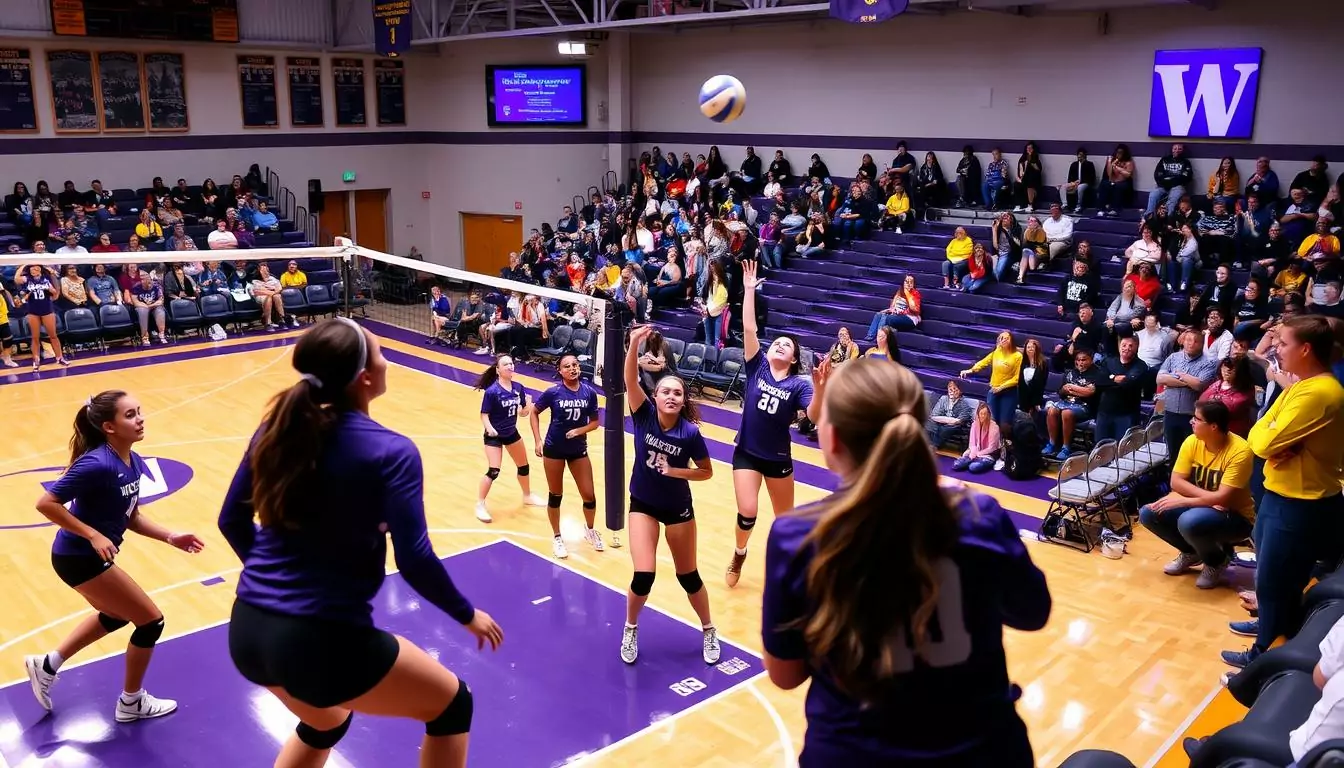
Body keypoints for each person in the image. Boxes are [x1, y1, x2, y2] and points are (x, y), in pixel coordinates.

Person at [218, 318, 503, 768]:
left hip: (249, 628)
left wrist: (278, 584)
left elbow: (231, 520)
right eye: (381, 353)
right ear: (365, 377)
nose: (389, 361)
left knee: (326, 721)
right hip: (319, 637)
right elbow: (414, 558)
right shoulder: (390, 451)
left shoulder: (278, 430)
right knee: (452, 705)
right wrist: (468, 615)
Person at [761, 358, 1051, 767]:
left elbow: (785, 675)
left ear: (834, 437)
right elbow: (1033, 613)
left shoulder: (797, 535)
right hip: (981, 752)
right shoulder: (978, 514)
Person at [24, 390, 205, 721]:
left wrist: (170, 536)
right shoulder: (96, 464)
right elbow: (45, 504)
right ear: (109, 426)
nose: (140, 419)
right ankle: (131, 702)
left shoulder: (132, 461)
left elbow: (131, 516)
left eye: (139, 412)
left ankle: (47, 664)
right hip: (77, 556)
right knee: (151, 621)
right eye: (130, 415)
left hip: (82, 556)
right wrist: (92, 534)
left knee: (117, 614)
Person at [1226, 315, 1344, 668]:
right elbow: (1260, 431)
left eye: (1284, 343)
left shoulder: (1320, 392)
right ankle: (1268, 629)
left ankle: (1262, 661)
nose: (1276, 348)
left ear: (1306, 349)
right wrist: (1275, 432)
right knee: (1270, 577)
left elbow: (1261, 443)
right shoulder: (1300, 386)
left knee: (1279, 584)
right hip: (1280, 496)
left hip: (1300, 504)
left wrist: (1274, 435)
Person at [621, 324, 718, 665]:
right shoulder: (643, 413)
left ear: (683, 400)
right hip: (643, 504)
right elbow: (631, 381)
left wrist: (676, 471)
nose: (672, 397)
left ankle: (708, 629)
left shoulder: (690, 433)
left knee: (688, 576)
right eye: (666, 392)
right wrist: (634, 343)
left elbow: (707, 472)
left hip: (678, 507)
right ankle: (630, 627)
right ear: (656, 396)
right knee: (644, 574)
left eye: (678, 393)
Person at [726, 261, 824, 588]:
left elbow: (813, 417)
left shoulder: (800, 384)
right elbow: (750, 328)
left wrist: (822, 388)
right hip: (747, 453)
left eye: (786, 346)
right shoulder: (758, 368)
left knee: (785, 522)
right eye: (777, 342)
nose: (779, 345)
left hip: (778, 458)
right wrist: (750, 290)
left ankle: (787, 569)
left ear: (794, 359)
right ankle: (740, 552)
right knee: (748, 512)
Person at [1139, 400, 1255, 590]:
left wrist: (1184, 500)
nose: (1191, 421)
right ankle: (1190, 552)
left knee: (1189, 520)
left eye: (1197, 418)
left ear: (1213, 426)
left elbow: (1224, 498)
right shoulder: (1193, 441)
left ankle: (1217, 561)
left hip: (1236, 517)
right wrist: (1210, 500)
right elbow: (1176, 482)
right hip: (1209, 507)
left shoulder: (1240, 451)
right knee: (1149, 513)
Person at [529, 354, 603, 559]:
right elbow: (534, 412)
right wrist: (537, 440)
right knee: (556, 495)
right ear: (560, 371)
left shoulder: (589, 392)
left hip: (578, 449)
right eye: (567, 366)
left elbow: (595, 422)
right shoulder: (553, 393)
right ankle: (557, 537)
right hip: (554, 449)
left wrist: (579, 431)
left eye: (575, 365)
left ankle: (590, 530)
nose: (572, 368)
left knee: (589, 495)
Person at [473, 354, 545, 523]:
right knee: (494, 471)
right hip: (494, 436)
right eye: (506, 364)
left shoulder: (518, 387)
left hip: (511, 432)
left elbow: (522, 413)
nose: (510, 366)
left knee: (524, 466)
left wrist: (527, 405)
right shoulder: (492, 391)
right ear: (498, 370)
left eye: (512, 363)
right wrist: (490, 429)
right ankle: (480, 504)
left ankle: (527, 496)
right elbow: (484, 415)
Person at [14, 263, 70, 370]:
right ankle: (36, 360)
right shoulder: (27, 279)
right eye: (32, 267)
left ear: (40, 269)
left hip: (47, 309)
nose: (34, 269)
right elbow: (16, 279)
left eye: (37, 267)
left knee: (53, 335)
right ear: (29, 269)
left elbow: (55, 295)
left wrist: (52, 291)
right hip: (33, 310)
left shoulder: (46, 279)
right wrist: (24, 265)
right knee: (35, 337)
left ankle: (60, 357)